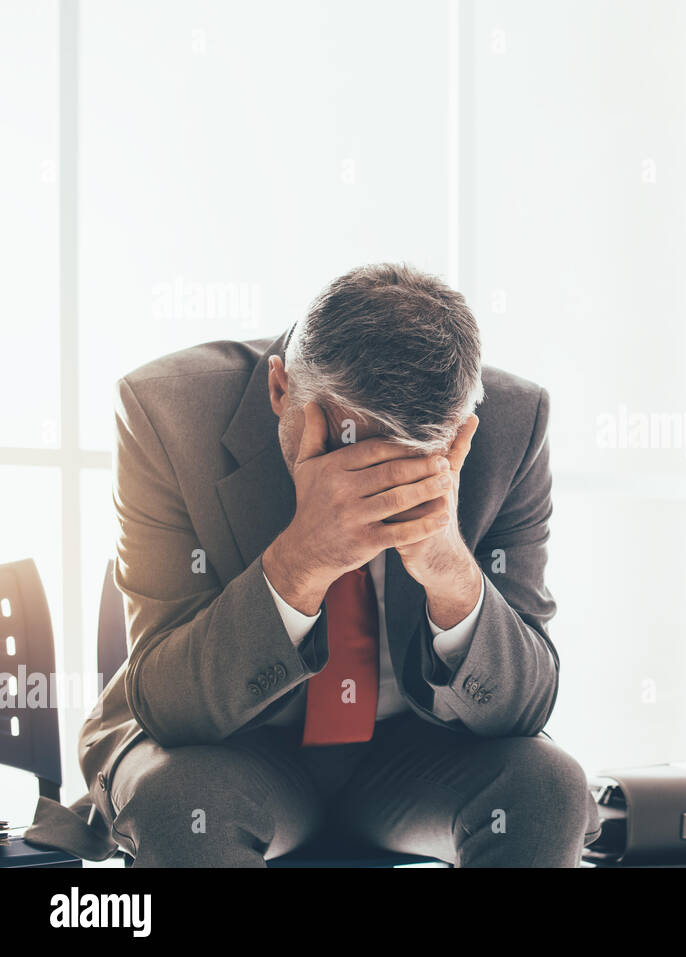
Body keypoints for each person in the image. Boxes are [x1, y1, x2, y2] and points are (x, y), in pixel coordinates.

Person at [34, 263, 598, 866]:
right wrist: (301, 561)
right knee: (183, 801)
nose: (373, 492)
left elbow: (525, 709)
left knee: (549, 788)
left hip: (415, 758)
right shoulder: (167, 411)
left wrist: (449, 571)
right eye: (347, 449)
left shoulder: (511, 422)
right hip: (233, 748)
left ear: (459, 431)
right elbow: (171, 706)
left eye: (409, 463)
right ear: (281, 390)